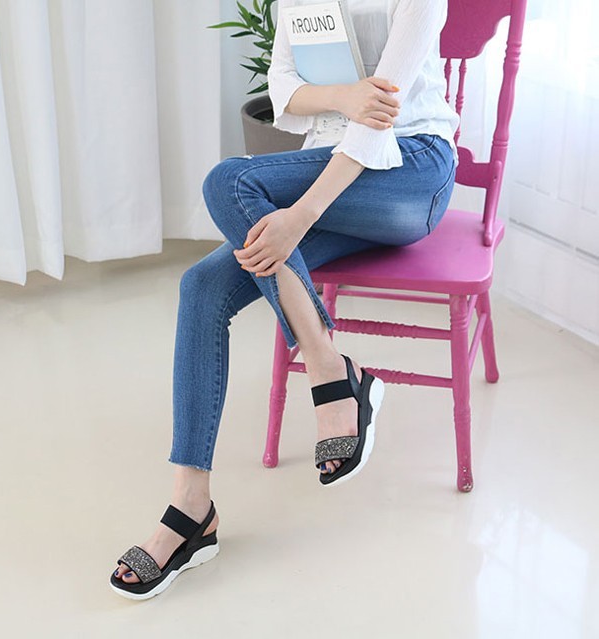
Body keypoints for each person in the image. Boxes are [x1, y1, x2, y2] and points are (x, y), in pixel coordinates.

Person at [110, 0, 459, 600]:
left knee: (230, 180)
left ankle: (325, 365)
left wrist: (299, 216)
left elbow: (381, 114)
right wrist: (343, 96)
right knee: (201, 286)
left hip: (410, 170)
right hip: (325, 176)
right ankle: (192, 508)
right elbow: (284, 89)